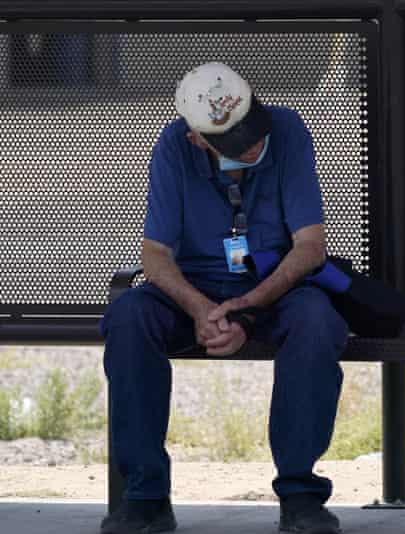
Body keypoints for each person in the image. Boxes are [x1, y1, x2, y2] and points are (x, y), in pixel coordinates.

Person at [99, 62, 348, 534]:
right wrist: (201, 310)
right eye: (234, 142)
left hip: (275, 289)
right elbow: (154, 257)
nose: (252, 145)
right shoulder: (174, 146)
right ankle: (147, 495)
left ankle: (300, 494)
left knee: (317, 321)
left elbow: (310, 247)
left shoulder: (289, 129)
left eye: (251, 129)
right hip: (195, 292)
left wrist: (248, 307)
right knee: (128, 316)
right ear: (198, 138)